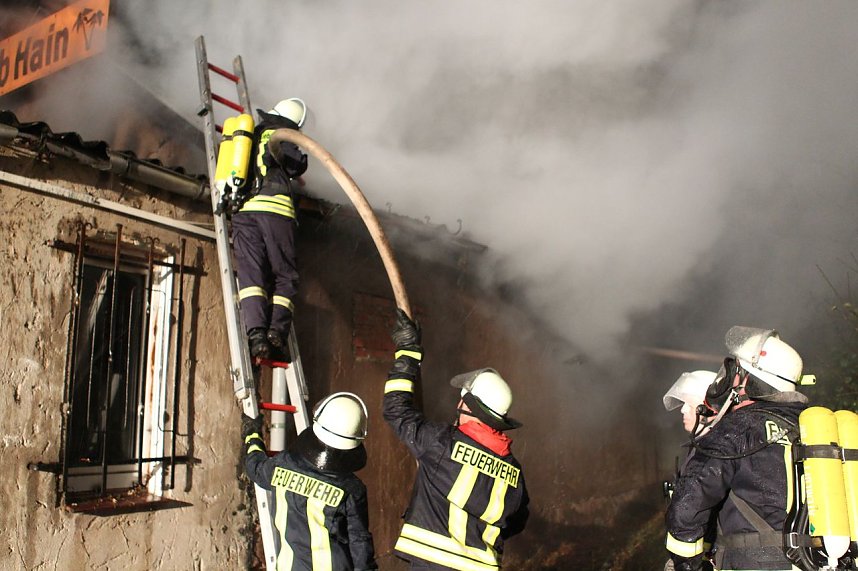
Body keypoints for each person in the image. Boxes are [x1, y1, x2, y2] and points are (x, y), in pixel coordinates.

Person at [382, 309, 529, 570]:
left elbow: (396, 409)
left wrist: (408, 352)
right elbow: (515, 522)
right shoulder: (514, 472)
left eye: (462, 400)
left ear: (469, 407)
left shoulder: (440, 443)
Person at [665, 327, 809, 571]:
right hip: (816, 560)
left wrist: (685, 564)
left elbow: (688, 505)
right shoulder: (811, 425)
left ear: (746, 379)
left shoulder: (738, 427)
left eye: (734, 371)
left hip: (754, 562)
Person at [242, 392, 378, 570]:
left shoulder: (283, 464)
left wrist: (252, 435)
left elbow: (255, 468)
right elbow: (359, 543)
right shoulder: (351, 489)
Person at [232, 98, 308, 359]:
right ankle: (276, 332)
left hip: (244, 211)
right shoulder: (281, 134)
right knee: (285, 276)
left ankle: (255, 335)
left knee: (251, 276)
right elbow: (296, 162)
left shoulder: (248, 137)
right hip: (275, 214)